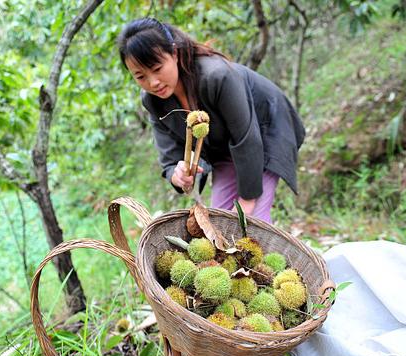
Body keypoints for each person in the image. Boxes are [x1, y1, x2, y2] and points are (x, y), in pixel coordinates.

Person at [117, 18, 305, 223]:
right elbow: (169, 159)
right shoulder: (153, 101)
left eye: (157, 68)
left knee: (252, 225)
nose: (153, 82)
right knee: (218, 223)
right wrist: (177, 175)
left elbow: (247, 139)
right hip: (224, 149)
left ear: (174, 53)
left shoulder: (217, 76)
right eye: (140, 76)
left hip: (265, 133)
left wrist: (248, 200)